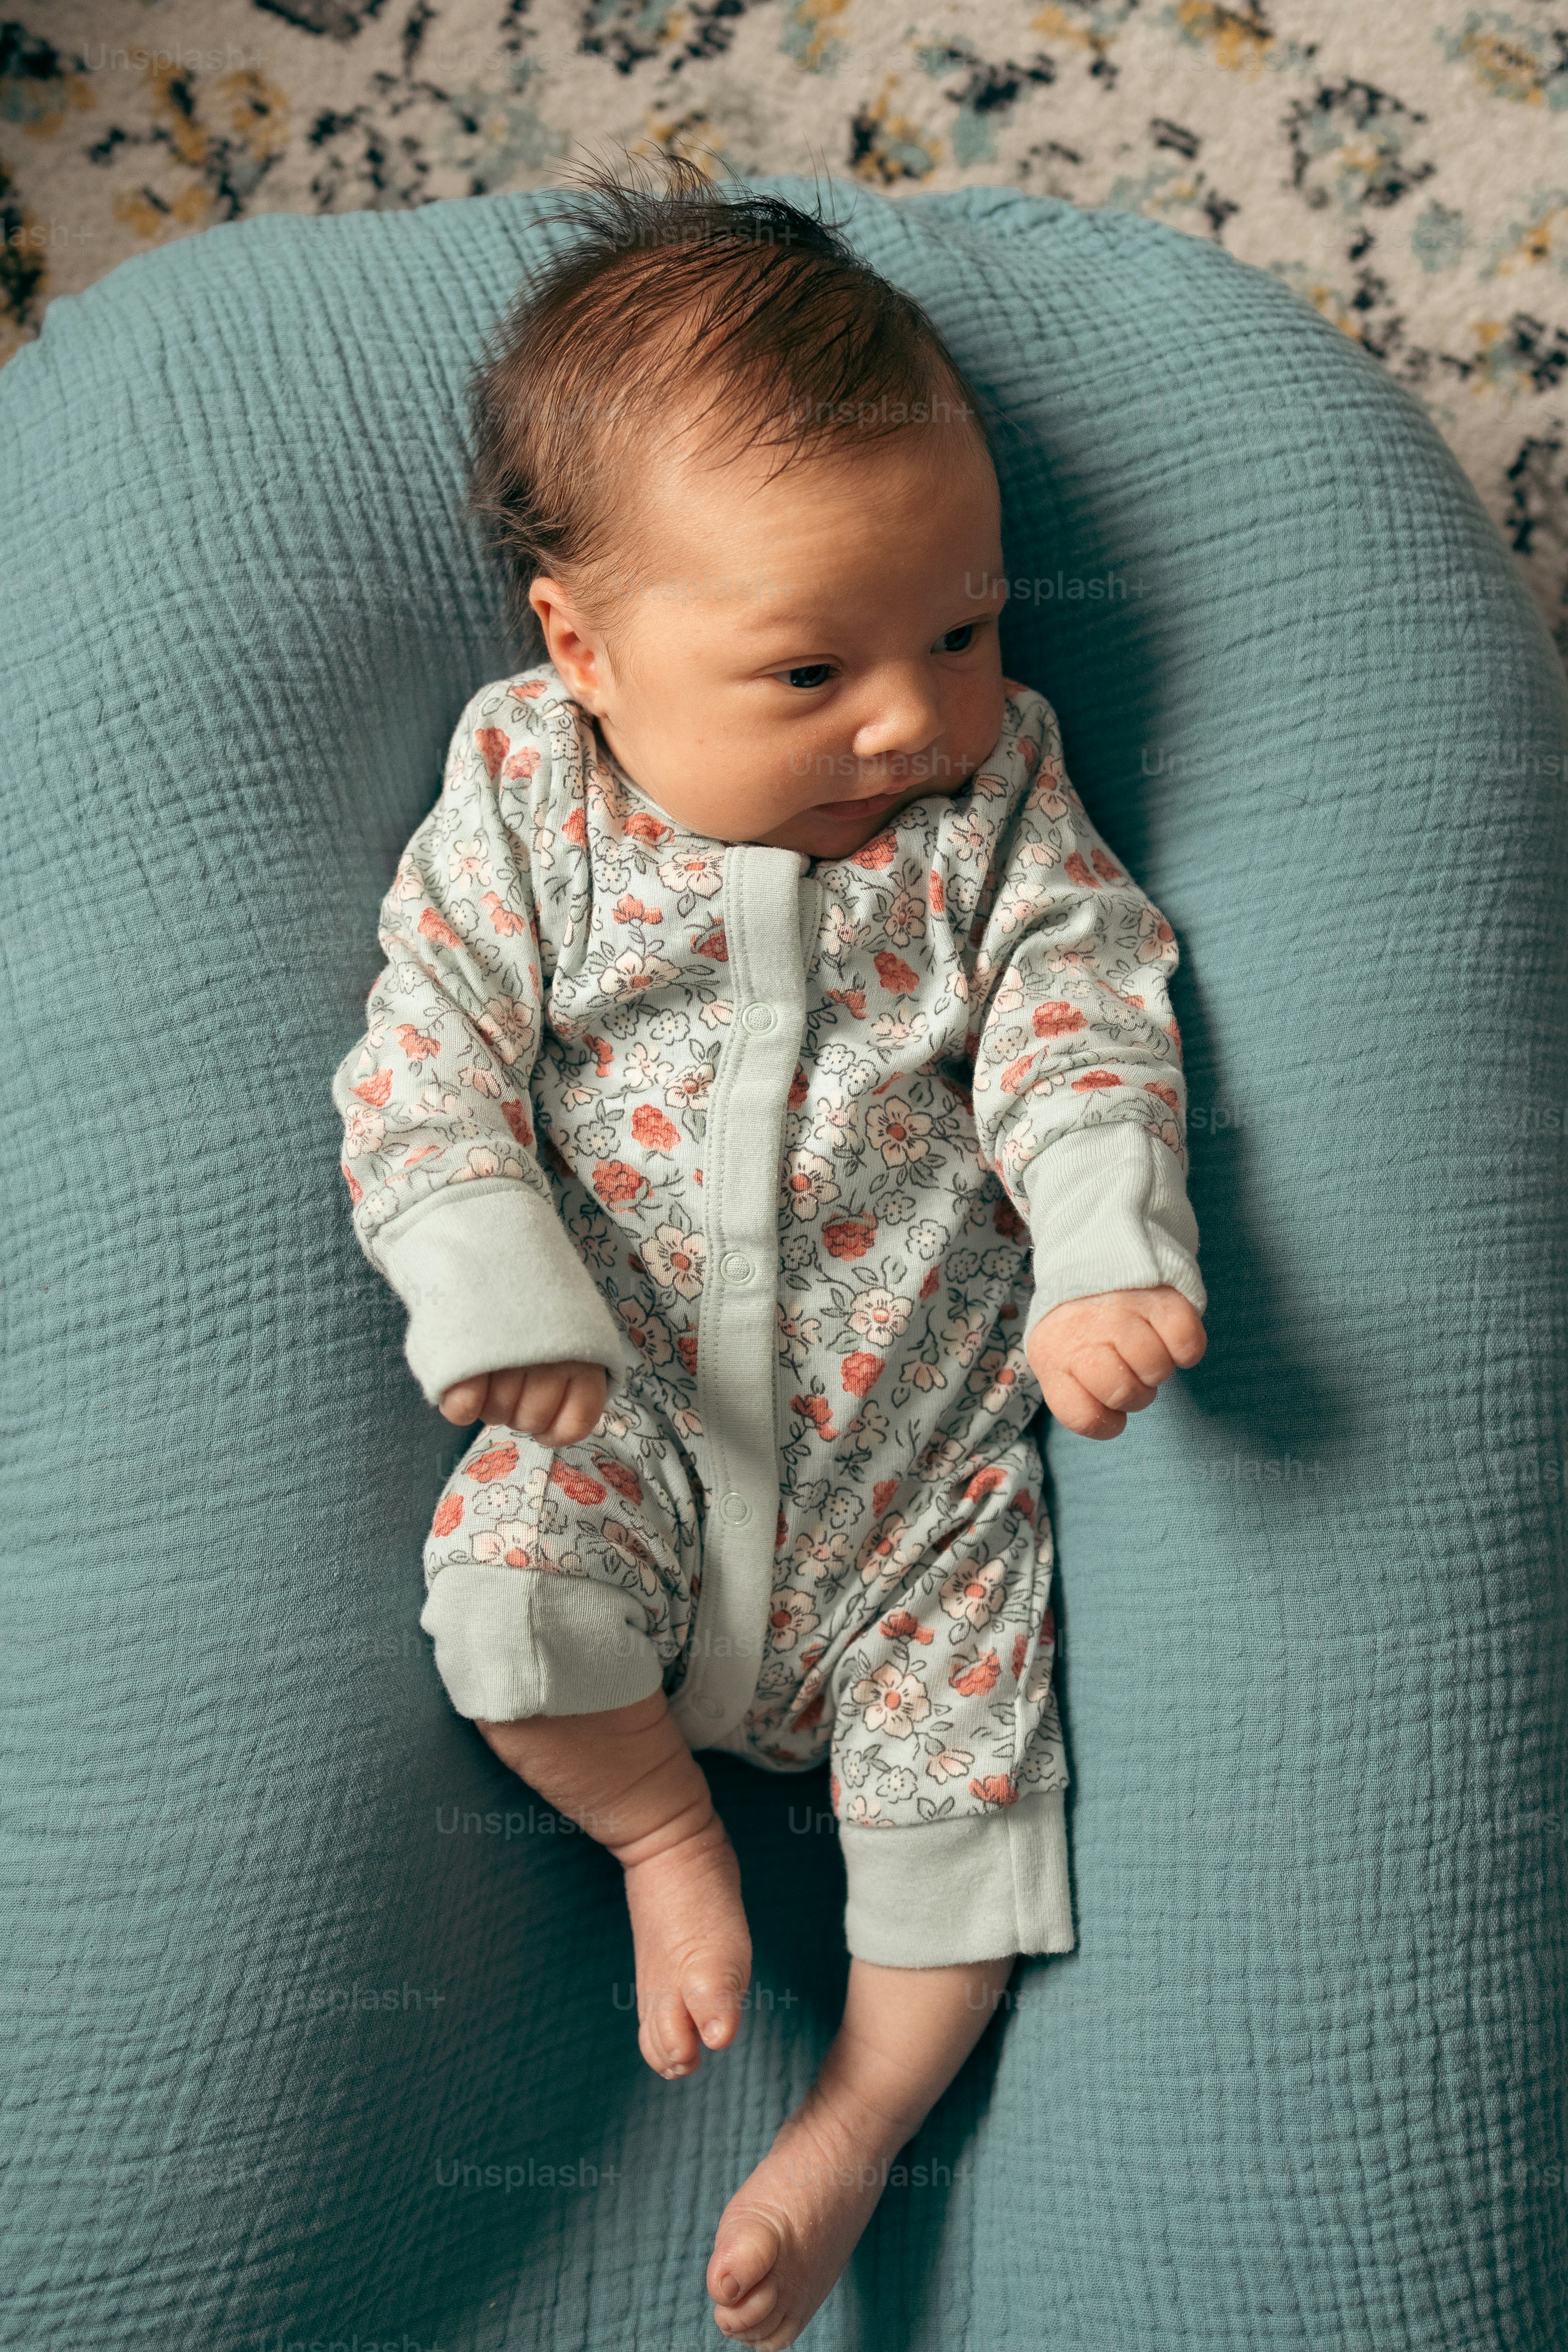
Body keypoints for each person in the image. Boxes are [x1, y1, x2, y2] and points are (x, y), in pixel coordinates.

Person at [331, 157, 1207, 2349]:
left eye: (964, 629)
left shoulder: (995, 807)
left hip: (920, 1491)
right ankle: (660, 1843)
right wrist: (498, 1298)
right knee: (508, 1599)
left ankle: (859, 2118)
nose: (909, 717)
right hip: (619, 1416)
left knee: (974, 1812)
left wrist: (1106, 1258)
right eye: (812, 667)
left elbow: (1087, 1012)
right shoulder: (524, 800)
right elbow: (419, 1064)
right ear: (584, 648)